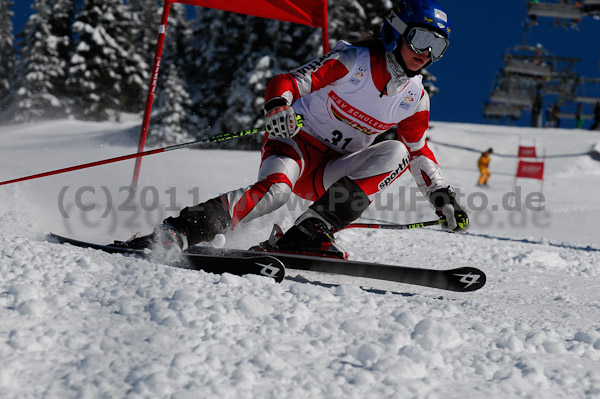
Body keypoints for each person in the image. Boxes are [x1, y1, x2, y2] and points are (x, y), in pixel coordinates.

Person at [115, 0, 469, 258]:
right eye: (421, 38)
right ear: (397, 31)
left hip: (331, 170)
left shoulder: (414, 97)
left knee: (399, 152)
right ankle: (177, 232)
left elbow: (420, 150)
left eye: (438, 46)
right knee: (275, 193)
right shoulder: (353, 62)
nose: (427, 52)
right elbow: (288, 81)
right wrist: (279, 105)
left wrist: (441, 196)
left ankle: (309, 232)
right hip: (294, 145)